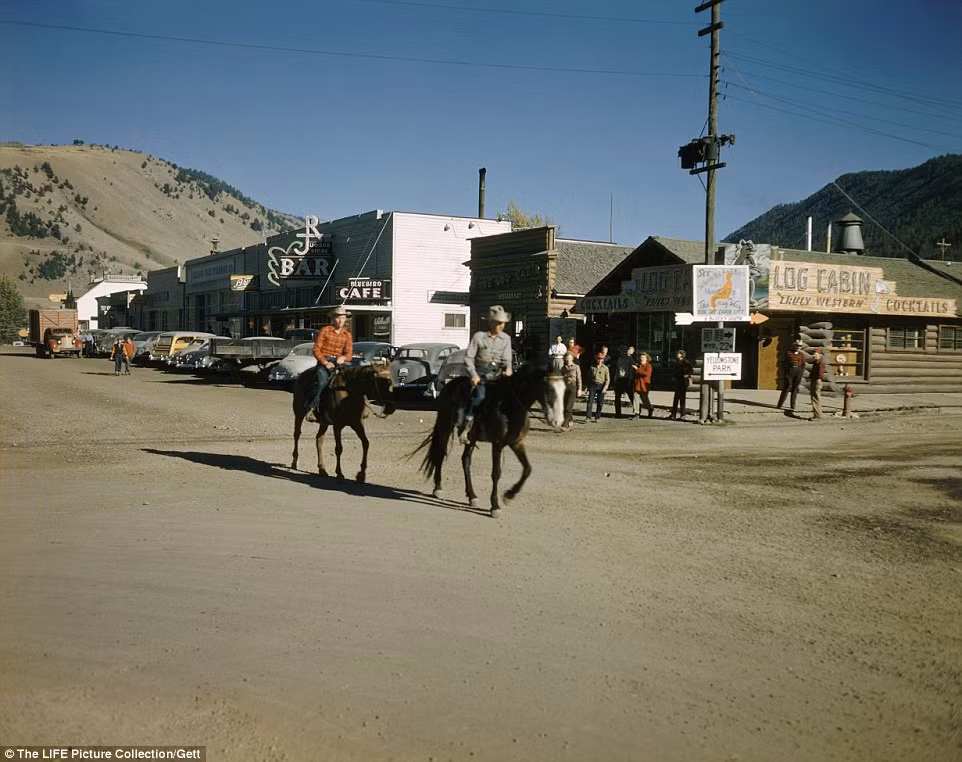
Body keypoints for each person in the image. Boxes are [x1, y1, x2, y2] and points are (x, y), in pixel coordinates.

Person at [458, 305, 513, 444]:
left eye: (503, 323)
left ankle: (511, 429)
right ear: (491, 322)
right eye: (499, 323)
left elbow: (507, 360)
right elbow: (468, 358)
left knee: (512, 398)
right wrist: (473, 374)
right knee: (479, 397)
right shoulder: (479, 337)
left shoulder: (506, 339)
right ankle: (466, 426)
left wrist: (508, 369)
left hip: (498, 374)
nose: (501, 326)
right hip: (481, 373)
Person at [307, 305, 353, 422]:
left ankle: (358, 408)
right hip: (325, 362)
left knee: (355, 379)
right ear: (333, 319)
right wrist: (325, 362)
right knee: (322, 382)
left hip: (340, 364)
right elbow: (316, 349)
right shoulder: (325, 330)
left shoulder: (347, 334)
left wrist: (343, 357)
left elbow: (349, 354)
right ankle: (312, 409)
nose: (340, 320)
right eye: (338, 318)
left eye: (343, 318)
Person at [776, 340, 807, 413]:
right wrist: (786, 371)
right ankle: (780, 404)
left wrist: (801, 371)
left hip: (798, 371)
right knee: (787, 387)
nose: (798, 347)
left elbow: (803, 364)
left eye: (800, 346)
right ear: (794, 346)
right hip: (790, 371)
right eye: (797, 346)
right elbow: (783, 363)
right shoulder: (788, 353)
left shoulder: (801, 355)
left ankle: (792, 405)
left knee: (795, 388)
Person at [668, 349, 693, 420]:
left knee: (682, 398)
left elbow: (691, 370)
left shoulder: (686, 362)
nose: (677, 354)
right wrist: (674, 376)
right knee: (676, 398)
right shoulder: (677, 362)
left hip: (683, 382)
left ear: (681, 354)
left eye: (678, 353)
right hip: (678, 381)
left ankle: (682, 414)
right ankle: (673, 414)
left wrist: (687, 374)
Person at [560, 351, 582, 431]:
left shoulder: (576, 367)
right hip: (564, 387)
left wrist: (579, 389)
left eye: (569, 358)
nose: (568, 359)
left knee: (569, 407)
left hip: (573, 386)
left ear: (572, 358)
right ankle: (570, 419)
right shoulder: (563, 368)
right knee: (564, 406)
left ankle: (564, 425)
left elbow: (579, 378)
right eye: (567, 358)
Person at [585, 351, 610, 423]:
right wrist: (587, 387)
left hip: (601, 385)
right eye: (598, 359)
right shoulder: (592, 367)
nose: (599, 360)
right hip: (593, 384)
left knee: (600, 402)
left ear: (603, 360)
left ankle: (597, 417)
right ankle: (588, 416)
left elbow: (607, 379)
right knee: (590, 401)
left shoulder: (605, 368)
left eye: (601, 359)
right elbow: (589, 378)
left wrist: (605, 388)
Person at [613, 345, 637, 418]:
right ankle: (618, 413)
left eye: (624, 351)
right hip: (620, 379)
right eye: (621, 351)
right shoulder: (619, 359)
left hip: (627, 379)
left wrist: (630, 379)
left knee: (631, 396)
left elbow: (631, 370)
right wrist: (615, 378)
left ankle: (637, 411)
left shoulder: (630, 359)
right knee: (617, 397)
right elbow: (617, 369)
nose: (623, 352)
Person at [631, 352, 655, 419]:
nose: (641, 359)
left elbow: (646, 374)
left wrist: (637, 369)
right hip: (637, 385)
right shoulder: (638, 365)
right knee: (636, 399)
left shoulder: (648, 366)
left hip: (644, 386)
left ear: (647, 359)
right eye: (641, 357)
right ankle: (636, 413)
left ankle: (650, 408)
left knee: (645, 400)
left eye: (643, 357)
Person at [809, 347, 827, 420]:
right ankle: (816, 414)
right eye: (813, 354)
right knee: (814, 397)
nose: (814, 355)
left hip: (817, 381)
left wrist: (816, 377)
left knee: (816, 398)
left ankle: (818, 415)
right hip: (815, 380)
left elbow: (820, 373)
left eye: (815, 354)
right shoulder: (816, 362)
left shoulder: (820, 363)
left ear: (820, 355)